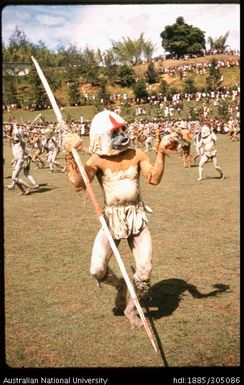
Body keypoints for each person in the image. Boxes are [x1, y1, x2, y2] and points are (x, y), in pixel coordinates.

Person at [63, 109, 180, 328]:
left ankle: (131, 308)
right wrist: (70, 154)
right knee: (96, 269)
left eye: (122, 129)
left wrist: (161, 152)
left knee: (144, 271)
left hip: (136, 217)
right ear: (102, 136)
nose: (122, 134)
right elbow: (79, 184)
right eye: (115, 131)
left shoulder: (137, 154)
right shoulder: (96, 160)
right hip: (112, 219)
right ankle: (120, 286)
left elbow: (153, 179)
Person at [7, 123, 39, 195]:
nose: (14, 136)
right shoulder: (14, 143)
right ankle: (23, 191)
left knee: (14, 177)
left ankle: (28, 187)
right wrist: (12, 127)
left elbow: (18, 135)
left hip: (21, 161)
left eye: (15, 136)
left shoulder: (22, 142)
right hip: (17, 160)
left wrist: (15, 126)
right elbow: (12, 134)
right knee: (15, 177)